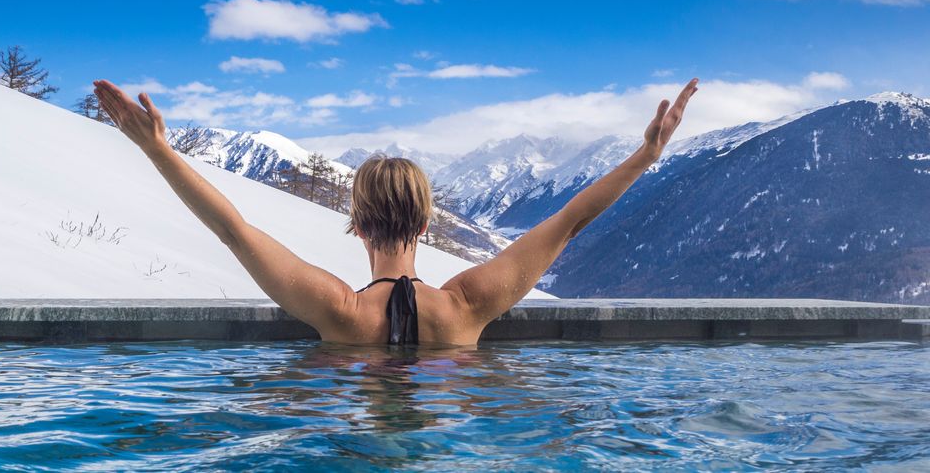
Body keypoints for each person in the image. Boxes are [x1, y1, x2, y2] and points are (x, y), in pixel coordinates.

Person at [92, 78, 700, 346]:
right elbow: (570, 219)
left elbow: (232, 229)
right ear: (427, 223)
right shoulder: (468, 304)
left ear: (356, 223)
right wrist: (645, 156)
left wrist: (157, 150)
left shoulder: (339, 310)